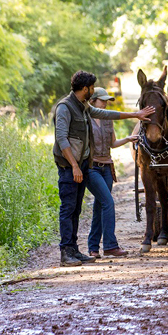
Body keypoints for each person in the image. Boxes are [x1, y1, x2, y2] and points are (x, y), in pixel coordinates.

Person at [53, 71, 154, 267]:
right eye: (92, 88)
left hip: (81, 165)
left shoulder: (83, 106)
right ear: (86, 89)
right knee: (68, 208)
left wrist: (135, 115)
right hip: (69, 167)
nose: (93, 90)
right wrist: (74, 165)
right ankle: (66, 252)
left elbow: (106, 114)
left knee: (76, 209)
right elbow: (61, 138)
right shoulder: (65, 107)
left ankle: (74, 250)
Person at [86, 88, 139, 259]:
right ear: (92, 101)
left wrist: (128, 139)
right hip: (92, 167)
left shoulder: (107, 119)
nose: (105, 103)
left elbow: (113, 143)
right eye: (102, 100)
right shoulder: (85, 119)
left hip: (107, 167)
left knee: (100, 205)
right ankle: (110, 245)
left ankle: (93, 247)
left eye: (106, 101)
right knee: (108, 202)